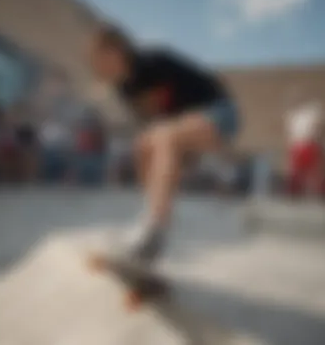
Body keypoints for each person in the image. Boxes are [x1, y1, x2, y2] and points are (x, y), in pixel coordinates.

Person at [86, 24, 239, 266]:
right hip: (184, 125)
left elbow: (167, 122)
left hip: (220, 112)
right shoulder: (124, 89)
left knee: (163, 135)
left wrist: (181, 148)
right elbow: (153, 129)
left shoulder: (151, 62)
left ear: (117, 51)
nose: (101, 68)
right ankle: (149, 219)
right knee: (143, 145)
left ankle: (155, 229)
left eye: (102, 59)